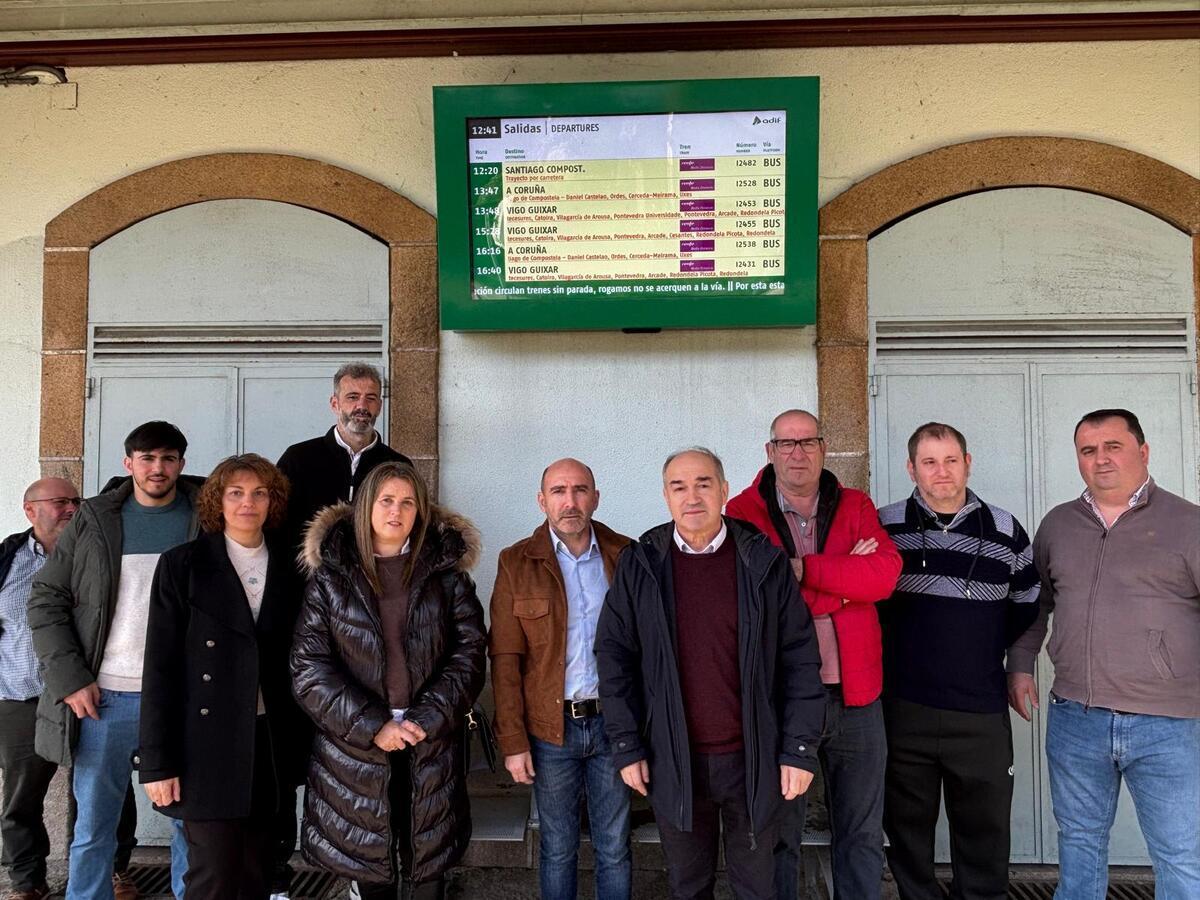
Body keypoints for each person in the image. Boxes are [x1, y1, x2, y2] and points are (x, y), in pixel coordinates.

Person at [595, 447, 825, 900]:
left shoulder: (763, 562)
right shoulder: (641, 565)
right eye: (679, 486)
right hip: (674, 760)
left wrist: (799, 750)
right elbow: (614, 656)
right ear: (666, 496)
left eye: (703, 483)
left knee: (758, 887)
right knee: (687, 886)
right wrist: (626, 745)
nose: (692, 496)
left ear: (723, 490)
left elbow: (800, 658)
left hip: (753, 760)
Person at [1007, 409, 1199, 898]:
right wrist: (1021, 665)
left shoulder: (1188, 523)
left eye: (1113, 446)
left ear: (1143, 451)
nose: (1101, 459)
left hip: (1169, 724)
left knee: (1180, 854)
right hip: (1076, 717)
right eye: (1088, 450)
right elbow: (1038, 603)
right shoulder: (1058, 525)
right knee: (1079, 843)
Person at [725, 410, 901, 900]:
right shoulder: (742, 513)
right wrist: (847, 585)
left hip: (857, 696)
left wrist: (804, 571)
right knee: (780, 834)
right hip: (781, 699)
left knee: (862, 833)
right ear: (769, 451)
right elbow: (757, 597)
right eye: (786, 444)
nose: (797, 453)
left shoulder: (856, 504)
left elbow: (884, 576)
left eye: (807, 442)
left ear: (824, 448)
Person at [291, 461, 487, 900]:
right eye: (385, 500)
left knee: (427, 871)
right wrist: (372, 725)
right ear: (365, 507)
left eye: (407, 502)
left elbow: (470, 652)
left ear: (420, 511)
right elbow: (309, 667)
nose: (395, 512)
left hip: (430, 743)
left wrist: (428, 717)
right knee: (371, 874)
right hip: (355, 750)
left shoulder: (445, 574)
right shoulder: (332, 577)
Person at [28, 422, 196, 900]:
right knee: (93, 830)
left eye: (167, 458)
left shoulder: (203, 514)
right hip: (105, 698)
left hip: (181, 698)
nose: (157, 468)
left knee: (189, 826)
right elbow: (46, 598)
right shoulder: (95, 518)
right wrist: (70, 679)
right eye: (146, 458)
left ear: (181, 464)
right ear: (128, 464)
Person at [877, 423, 1040, 900]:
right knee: (907, 836)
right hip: (905, 707)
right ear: (911, 468)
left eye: (951, 460)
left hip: (981, 709)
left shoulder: (1006, 531)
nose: (941, 471)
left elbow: (1028, 603)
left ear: (968, 462)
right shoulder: (884, 527)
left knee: (985, 835)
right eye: (929, 461)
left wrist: (1003, 660)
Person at [137, 454, 309, 899]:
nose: (247, 503)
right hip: (204, 748)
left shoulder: (296, 568)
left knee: (259, 872)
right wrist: (158, 762)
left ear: (273, 501)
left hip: (270, 745)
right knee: (212, 876)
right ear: (218, 500)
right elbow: (160, 669)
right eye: (236, 493)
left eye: (259, 493)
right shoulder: (183, 565)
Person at [273, 362, 409, 896]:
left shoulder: (394, 464)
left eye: (371, 397)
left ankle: (362, 873)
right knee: (289, 756)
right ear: (334, 403)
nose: (361, 405)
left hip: (370, 638)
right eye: (351, 396)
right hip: (303, 628)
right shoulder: (299, 459)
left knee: (364, 758)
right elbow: (278, 537)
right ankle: (278, 876)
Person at [489, 458, 633, 900]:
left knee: (614, 847)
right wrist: (513, 742)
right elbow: (505, 658)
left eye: (579, 490)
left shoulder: (626, 554)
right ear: (541, 500)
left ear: (595, 497)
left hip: (614, 727)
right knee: (557, 848)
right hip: (551, 733)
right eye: (558, 491)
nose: (570, 501)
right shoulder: (516, 562)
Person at [1, 479, 79, 900]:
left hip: (84, 695)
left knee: (100, 789)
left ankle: (112, 872)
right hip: (20, 697)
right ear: (30, 510)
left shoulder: (90, 555)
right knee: (21, 797)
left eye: (75, 501)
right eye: (59, 502)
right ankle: (27, 882)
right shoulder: (7, 560)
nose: (70, 508)